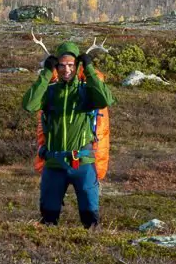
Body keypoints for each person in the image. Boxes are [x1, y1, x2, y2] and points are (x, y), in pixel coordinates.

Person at [22, 41, 114, 229]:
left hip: (84, 164)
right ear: (57, 66)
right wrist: (46, 73)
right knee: (48, 218)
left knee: (91, 220)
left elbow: (106, 99)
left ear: (76, 66)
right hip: (54, 164)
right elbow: (29, 105)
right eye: (62, 65)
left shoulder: (87, 93)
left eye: (71, 65)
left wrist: (88, 67)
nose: (66, 70)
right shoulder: (49, 93)